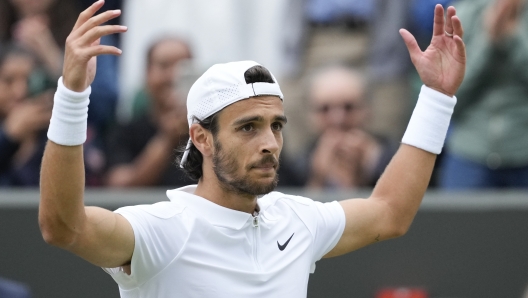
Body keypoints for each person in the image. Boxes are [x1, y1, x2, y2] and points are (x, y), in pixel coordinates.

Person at [38, 2, 465, 297]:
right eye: (248, 127)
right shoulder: (158, 229)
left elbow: (391, 212)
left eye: (276, 126)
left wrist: (437, 97)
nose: (269, 143)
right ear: (201, 137)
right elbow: (62, 227)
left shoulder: (298, 220)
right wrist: (73, 94)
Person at [440, 0, 528, 189]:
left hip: (523, 151)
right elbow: (449, 93)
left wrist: (512, 39)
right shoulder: (462, 14)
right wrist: (489, 42)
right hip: (469, 153)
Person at [104, 36, 193, 187]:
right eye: (164, 66)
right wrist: (167, 138)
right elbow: (119, 186)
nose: (173, 76)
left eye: (183, 68)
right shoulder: (124, 132)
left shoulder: (213, 130)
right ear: (147, 73)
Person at [300, 65, 398, 188]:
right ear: (310, 115)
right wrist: (317, 179)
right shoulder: (295, 167)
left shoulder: (399, 157)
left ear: (368, 109)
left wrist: (377, 166)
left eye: (349, 107)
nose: (338, 119)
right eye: (325, 109)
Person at [0, 44, 51, 186]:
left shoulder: (52, 133)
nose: (20, 92)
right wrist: (8, 136)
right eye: (8, 81)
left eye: (29, 81)